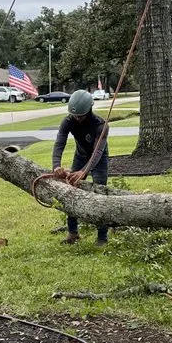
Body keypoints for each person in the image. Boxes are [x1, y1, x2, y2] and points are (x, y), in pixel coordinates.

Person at [52, 89, 110, 246]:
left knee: (100, 193)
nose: (77, 119)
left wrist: (84, 171)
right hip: (80, 156)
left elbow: (98, 152)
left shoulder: (101, 125)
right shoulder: (68, 121)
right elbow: (60, 143)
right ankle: (72, 233)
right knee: (71, 189)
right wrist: (56, 165)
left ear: (89, 110)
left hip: (99, 160)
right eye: (74, 115)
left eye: (81, 115)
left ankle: (102, 237)